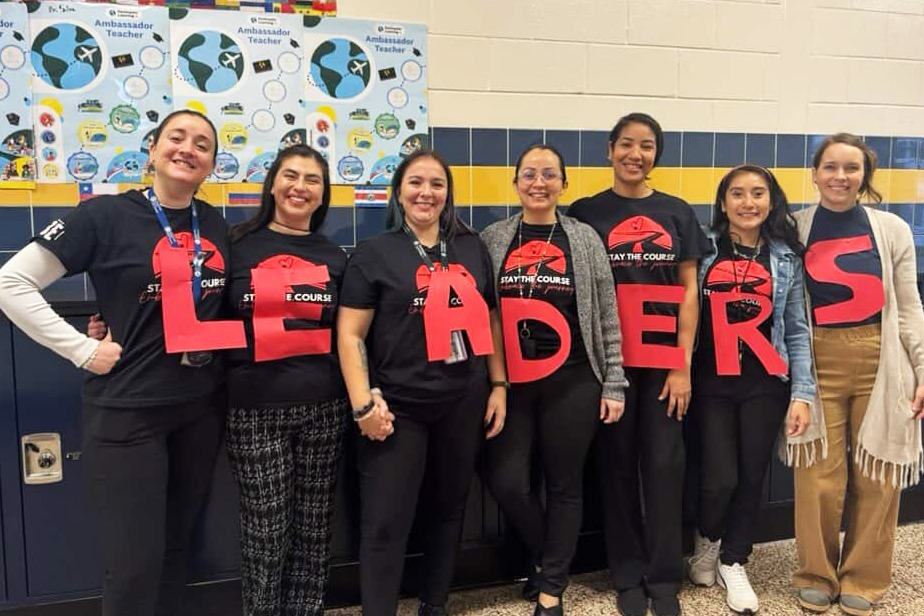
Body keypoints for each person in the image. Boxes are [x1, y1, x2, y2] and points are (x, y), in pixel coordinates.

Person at [0, 110, 229, 616]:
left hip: (198, 411)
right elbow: (10, 284)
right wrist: (82, 348)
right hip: (128, 415)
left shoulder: (213, 222)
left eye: (202, 144)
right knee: (133, 564)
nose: (188, 149)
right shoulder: (102, 215)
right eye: (177, 138)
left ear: (212, 165)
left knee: (176, 553)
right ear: (151, 151)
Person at [336, 149, 507, 616]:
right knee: (386, 521)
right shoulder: (375, 253)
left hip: (463, 398)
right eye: (415, 182)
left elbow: (491, 319)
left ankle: (436, 604)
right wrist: (362, 407)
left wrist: (499, 385)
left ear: (448, 193)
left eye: (436, 184)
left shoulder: (471, 247)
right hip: (397, 406)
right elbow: (350, 335)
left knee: (450, 509)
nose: (426, 193)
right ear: (398, 191)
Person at [568, 112, 709, 616]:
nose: (636, 153)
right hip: (608, 365)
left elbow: (690, 289)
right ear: (609, 149)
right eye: (626, 143)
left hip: (662, 363)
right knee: (617, 468)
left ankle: (663, 574)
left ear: (656, 156)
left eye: (646, 146)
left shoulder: (676, 212)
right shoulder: (583, 213)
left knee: (666, 467)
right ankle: (626, 574)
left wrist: (682, 365)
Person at [480, 144, 628, 616]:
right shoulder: (493, 238)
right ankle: (550, 559)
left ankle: (551, 588)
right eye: (529, 174)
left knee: (565, 484)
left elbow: (608, 314)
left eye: (549, 174)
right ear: (516, 182)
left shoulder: (584, 240)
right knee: (507, 481)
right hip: (512, 385)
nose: (538, 182)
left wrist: (614, 382)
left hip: (574, 380)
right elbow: (485, 314)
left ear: (564, 183)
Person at [788, 133, 924, 616]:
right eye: (830, 167)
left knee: (878, 474)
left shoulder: (892, 230)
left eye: (850, 168)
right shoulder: (794, 226)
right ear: (815, 172)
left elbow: (908, 306)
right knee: (816, 475)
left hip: (881, 358)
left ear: (864, 174)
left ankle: (863, 578)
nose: (839, 177)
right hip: (816, 359)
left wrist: (922, 367)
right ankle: (815, 574)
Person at [224, 144, 348, 615]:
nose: (300, 187)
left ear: (323, 194)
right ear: (273, 183)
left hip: (325, 405)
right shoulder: (237, 245)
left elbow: (350, 332)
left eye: (312, 180)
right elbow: (193, 310)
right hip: (255, 408)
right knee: (266, 527)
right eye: (291, 176)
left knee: (314, 528)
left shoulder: (334, 255)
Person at [685, 165, 814, 614]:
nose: (748, 202)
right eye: (737, 194)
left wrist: (803, 393)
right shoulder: (703, 247)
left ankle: (734, 559)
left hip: (765, 380)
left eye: (758, 193)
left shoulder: (784, 257)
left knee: (751, 475)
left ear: (771, 201)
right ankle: (708, 539)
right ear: (723, 203)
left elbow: (796, 329)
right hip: (711, 380)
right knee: (719, 476)